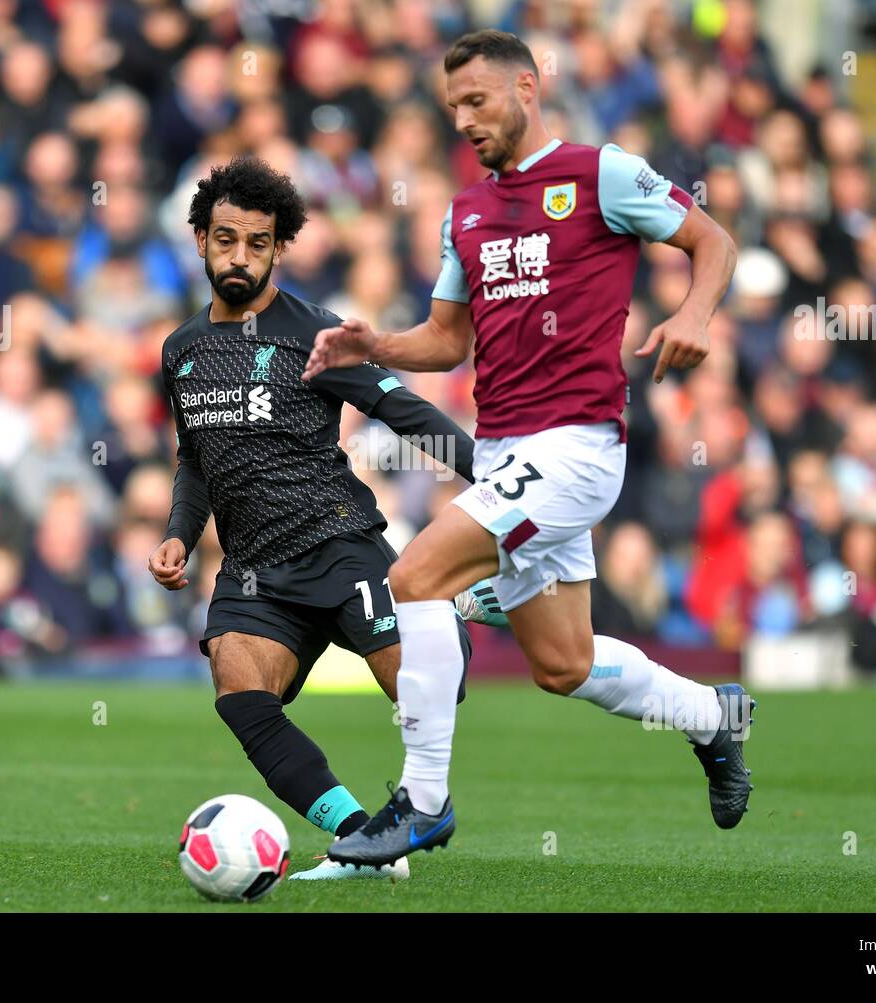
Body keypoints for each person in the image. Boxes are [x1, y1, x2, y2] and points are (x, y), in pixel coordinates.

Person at [303, 30, 751, 867]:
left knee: (414, 577)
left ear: (527, 86)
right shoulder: (464, 212)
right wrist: (374, 346)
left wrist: (693, 315)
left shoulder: (600, 173)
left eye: (478, 101)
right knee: (561, 662)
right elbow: (444, 340)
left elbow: (713, 242)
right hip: (507, 455)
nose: (466, 120)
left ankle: (422, 803)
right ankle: (710, 716)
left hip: (578, 447)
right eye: (453, 109)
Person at [147, 156, 501, 882]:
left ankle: (452, 614)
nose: (239, 256)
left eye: (256, 242)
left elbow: (403, 412)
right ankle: (362, 837)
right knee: (239, 692)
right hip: (254, 571)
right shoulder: (180, 351)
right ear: (200, 241)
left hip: (339, 548)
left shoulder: (316, 334)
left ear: (279, 248)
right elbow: (194, 459)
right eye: (225, 239)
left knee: (430, 694)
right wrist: (180, 532)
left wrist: (500, 486)